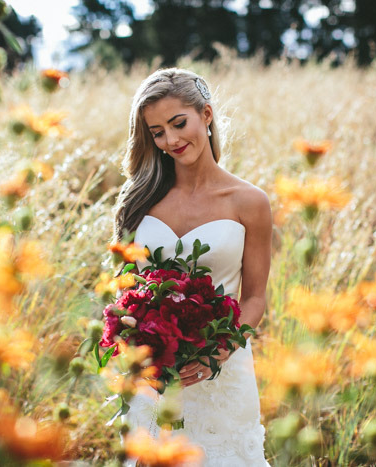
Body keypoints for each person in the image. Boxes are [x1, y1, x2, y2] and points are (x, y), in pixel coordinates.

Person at [113, 68, 272, 466]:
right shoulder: (141, 201)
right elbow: (125, 288)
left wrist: (218, 352)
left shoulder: (249, 202)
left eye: (178, 123)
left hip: (222, 369)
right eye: (158, 132)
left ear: (206, 114)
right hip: (155, 369)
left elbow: (254, 297)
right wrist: (136, 345)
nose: (171, 140)